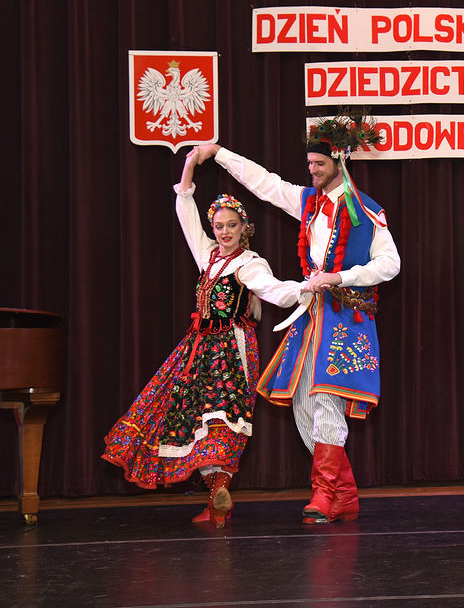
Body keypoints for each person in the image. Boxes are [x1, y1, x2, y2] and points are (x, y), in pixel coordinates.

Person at [192, 113, 400, 524]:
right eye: (309, 164)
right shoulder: (308, 202)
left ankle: (324, 493)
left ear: (339, 161)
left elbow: (390, 264)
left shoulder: (367, 212)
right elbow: (264, 183)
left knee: (325, 397)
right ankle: (344, 494)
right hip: (311, 317)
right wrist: (219, 154)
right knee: (302, 402)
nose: (312, 170)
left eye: (318, 164)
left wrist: (341, 276)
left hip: (345, 316)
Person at [102, 151, 312, 527]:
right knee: (192, 416)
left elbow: (274, 291)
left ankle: (218, 498)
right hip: (197, 348)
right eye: (218, 226)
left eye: (232, 225)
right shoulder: (208, 256)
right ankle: (216, 500)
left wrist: (305, 288)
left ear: (244, 228)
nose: (224, 232)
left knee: (224, 417)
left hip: (231, 348)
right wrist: (190, 165)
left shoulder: (249, 264)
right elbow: (185, 207)